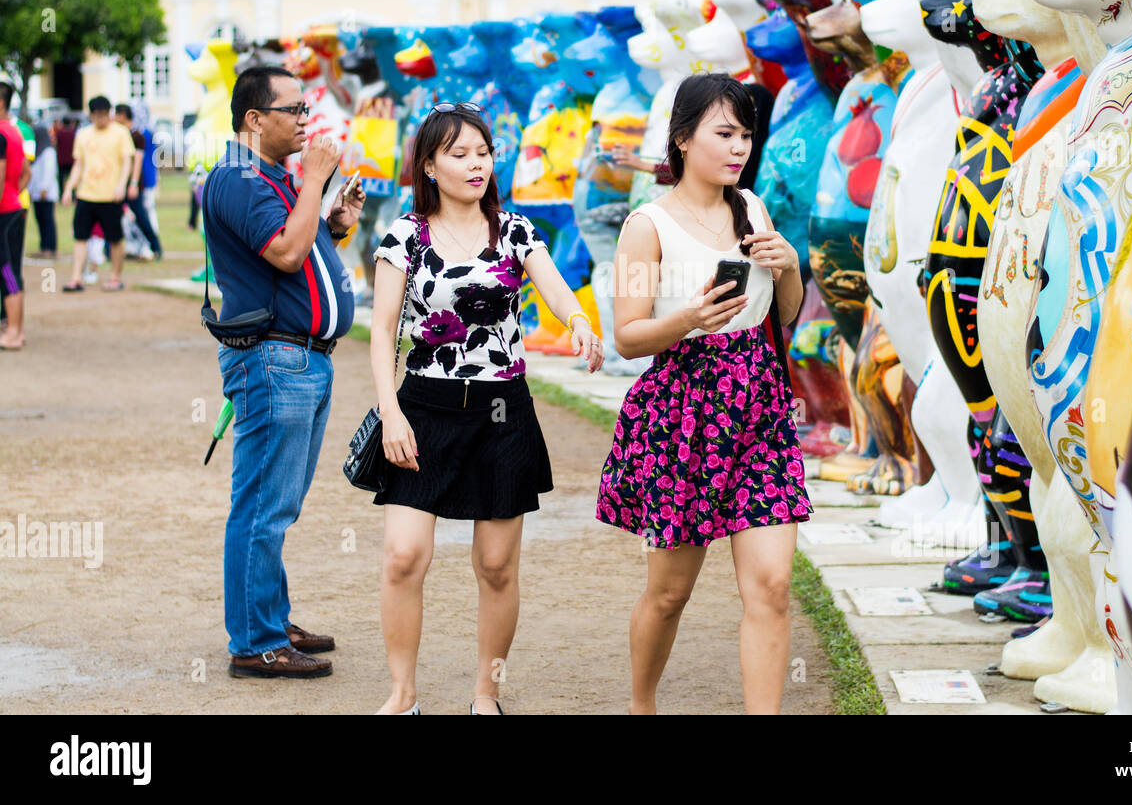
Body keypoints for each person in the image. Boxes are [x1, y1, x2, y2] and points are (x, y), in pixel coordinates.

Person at [369, 102, 603, 715]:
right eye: (459, 154)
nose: (476, 164)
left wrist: (578, 322)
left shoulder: (515, 231)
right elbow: (382, 332)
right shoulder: (402, 237)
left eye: (483, 152)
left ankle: (485, 695)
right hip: (423, 407)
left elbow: (553, 288)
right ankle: (403, 695)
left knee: (497, 566)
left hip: (502, 412)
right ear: (428, 165)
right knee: (402, 556)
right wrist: (390, 413)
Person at [596, 73, 811, 714]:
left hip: (761, 405)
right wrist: (688, 318)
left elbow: (787, 313)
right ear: (684, 139)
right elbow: (628, 338)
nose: (739, 146)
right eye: (724, 133)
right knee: (670, 594)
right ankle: (642, 705)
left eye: (746, 133)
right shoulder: (646, 224)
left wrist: (790, 265)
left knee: (771, 586)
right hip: (684, 412)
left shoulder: (752, 207)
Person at [203, 65, 364, 679]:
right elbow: (287, 252)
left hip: (297, 360)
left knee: (279, 502)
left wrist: (333, 218)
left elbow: (302, 251)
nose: (305, 120)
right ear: (254, 118)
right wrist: (317, 181)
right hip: (274, 360)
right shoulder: (239, 178)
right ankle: (255, 641)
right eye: (293, 110)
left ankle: (269, 616)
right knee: (262, 505)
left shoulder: (270, 178)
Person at [60, 96, 134, 292]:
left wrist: (123, 185)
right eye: (97, 115)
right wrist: (69, 188)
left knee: (115, 238)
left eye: (104, 115)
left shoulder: (120, 133)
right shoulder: (83, 134)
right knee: (80, 237)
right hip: (86, 194)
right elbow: (78, 164)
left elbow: (127, 161)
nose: (101, 119)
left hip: (111, 195)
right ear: (91, 115)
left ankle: (116, 277)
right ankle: (76, 278)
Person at [0, 83, 30, 350]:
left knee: (6, 271)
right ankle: (16, 331)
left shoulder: (0, 133)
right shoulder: (15, 131)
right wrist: (12, 192)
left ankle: (13, 332)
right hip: (13, 208)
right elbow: (26, 173)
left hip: (3, 212)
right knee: (10, 272)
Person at [115, 103, 163, 261]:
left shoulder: (139, 135)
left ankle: (154, 247)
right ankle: (117, 249)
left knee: (142, 217)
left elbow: (139, 160)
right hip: (120, 183)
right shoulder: (121, 135)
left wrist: (134, 183)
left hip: (134, 184)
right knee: (115, 216)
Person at [29, 123, 58, 258]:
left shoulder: (48, 152)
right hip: (36, 193)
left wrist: (44, 189)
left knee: (47, 220)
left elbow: (49, 172)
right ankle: (43, 246)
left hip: (46, 193)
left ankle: (50, 247)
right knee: (40, 219)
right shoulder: (36, 151)